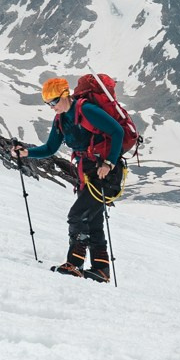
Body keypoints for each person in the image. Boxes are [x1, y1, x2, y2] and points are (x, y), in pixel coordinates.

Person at [23, 76, 125, 281]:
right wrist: (26, 152)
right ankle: (101, 270)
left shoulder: (86, 110)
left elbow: (118, 131)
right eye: (47, 103)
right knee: (93, 221)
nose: (51, 107)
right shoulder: (61, 118)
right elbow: (50, 148)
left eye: (53, 102)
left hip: (105, 173)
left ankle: (75, 264)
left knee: (77, 215)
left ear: (65, 95)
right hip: (87, 173)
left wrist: (109, 163)